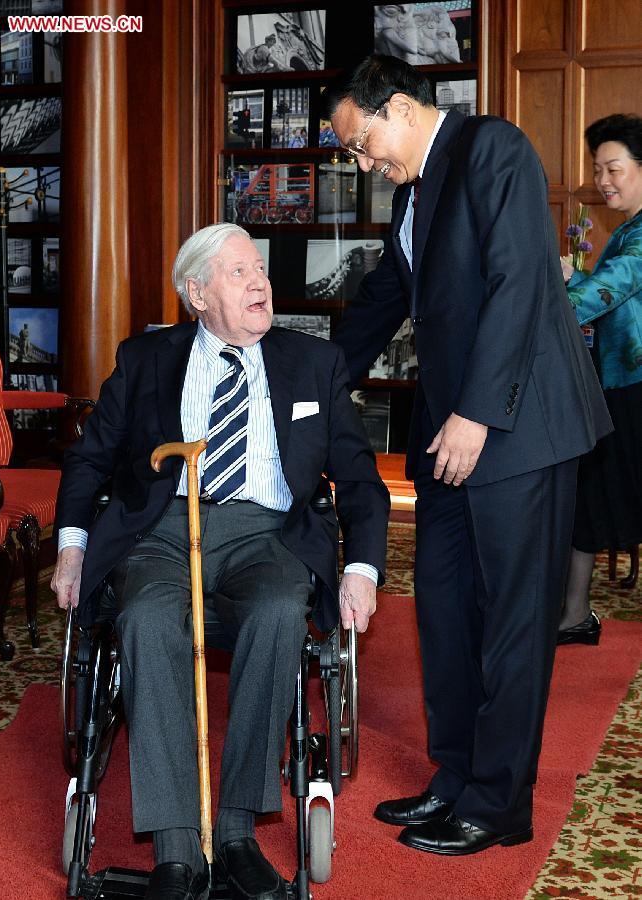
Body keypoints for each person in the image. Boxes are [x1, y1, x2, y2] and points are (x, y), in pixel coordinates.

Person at [322, 54, 611, 857]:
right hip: (447, 439)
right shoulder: (412, 192)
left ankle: (500, 802)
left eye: (363, 143)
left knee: (511, 622)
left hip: (517, 431)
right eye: (352, 153)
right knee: (446, 614)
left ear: (403, 107)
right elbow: (387, 297)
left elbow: (521, 283)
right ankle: (454, 777)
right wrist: (304, 387)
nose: (364, 162)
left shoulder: (493, 149)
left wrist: (477, 415)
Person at [52, 223, 390, 900]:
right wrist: (71, 547)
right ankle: (177, 850)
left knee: (276, 614)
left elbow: (358, 479)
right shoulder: (146, 360)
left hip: (270, 534)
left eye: (258, 269)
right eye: (238, 273)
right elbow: (91, 460)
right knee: (146, 616)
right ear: (197, 294)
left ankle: (235, 831)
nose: (259, 282)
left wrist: (363, 569)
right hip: (163, 529)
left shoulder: (312, 363)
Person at [558, 114, 642, 645]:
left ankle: (573, 613)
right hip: (617, 385)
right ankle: (574, 614)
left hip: (634, 388)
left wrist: (557, 291)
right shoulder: (627, 230)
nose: (604, 180)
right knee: (588, 498)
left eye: (615, 168)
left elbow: (605, 295)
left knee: (598, 497)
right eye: (598, 169)